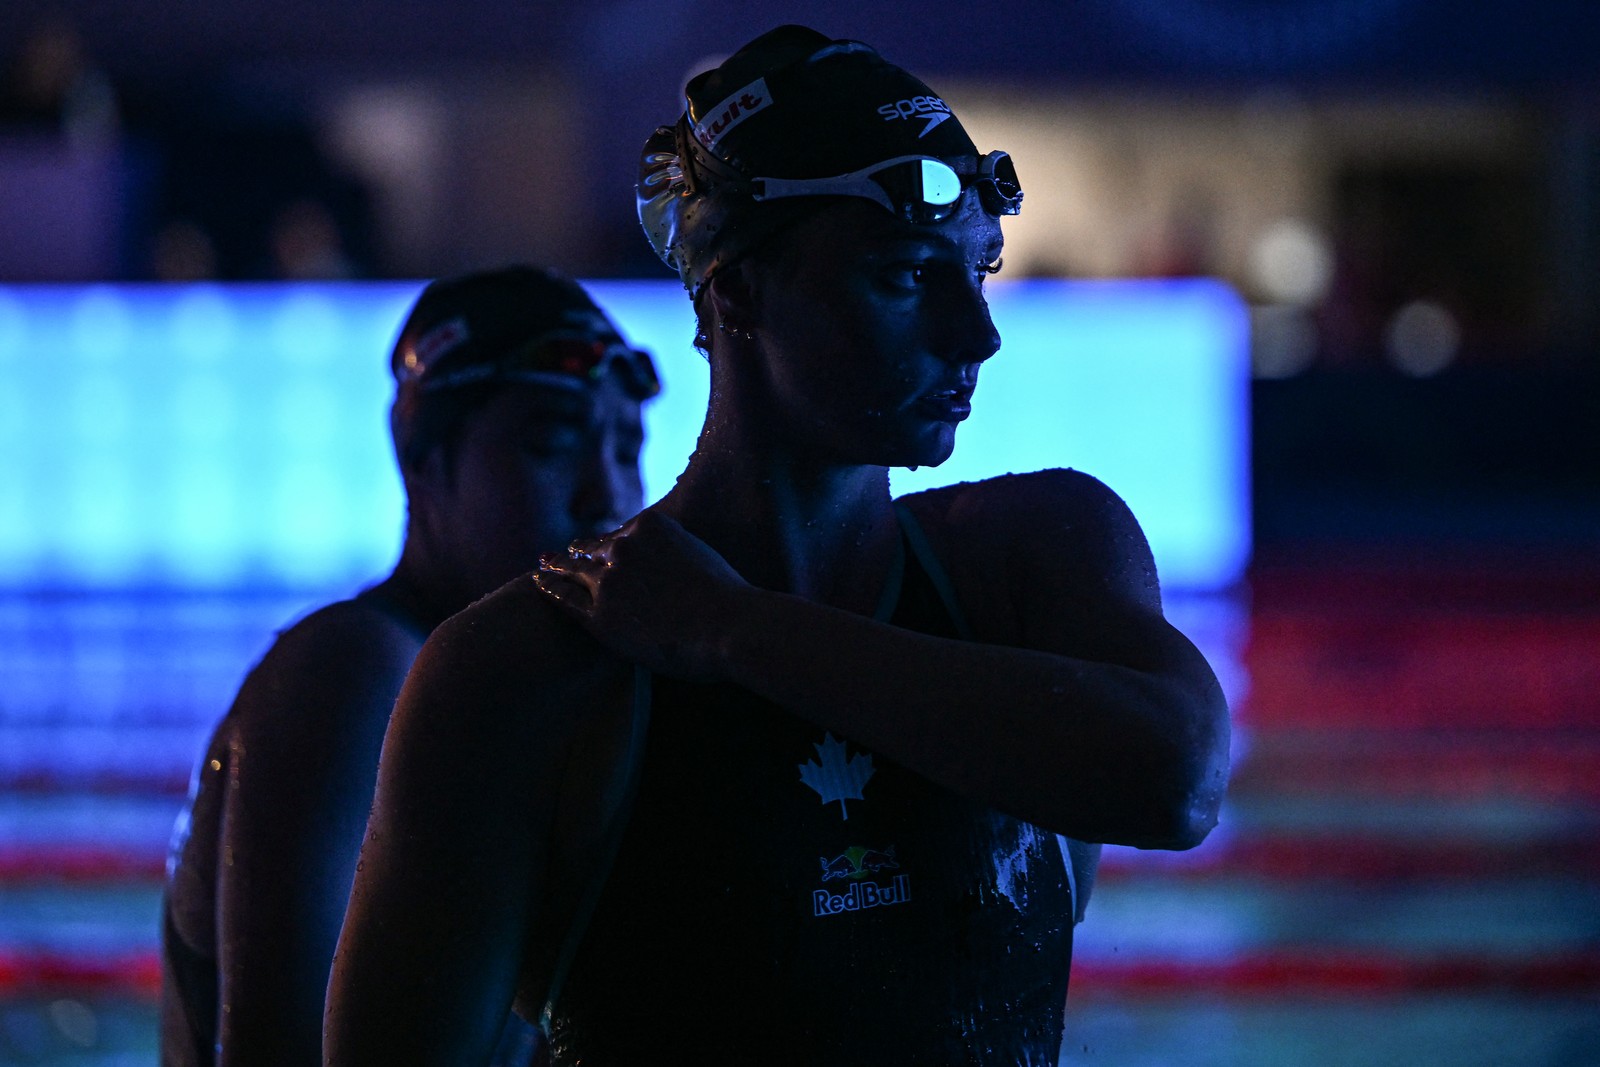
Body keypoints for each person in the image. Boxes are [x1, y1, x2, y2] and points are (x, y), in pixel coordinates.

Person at [327, 26, 1230, 1066]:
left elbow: (1178, 780)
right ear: (739, 290)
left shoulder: (1033, 558)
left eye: (976, 271)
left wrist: (731, 629)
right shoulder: (526, 672)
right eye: (903, 276)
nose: (975, 334)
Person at [160, 266, 659, 1066]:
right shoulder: (352, 672)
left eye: (628, 449)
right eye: (551, 445)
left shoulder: (531, 695)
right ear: (423, 464)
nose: (608, 494)